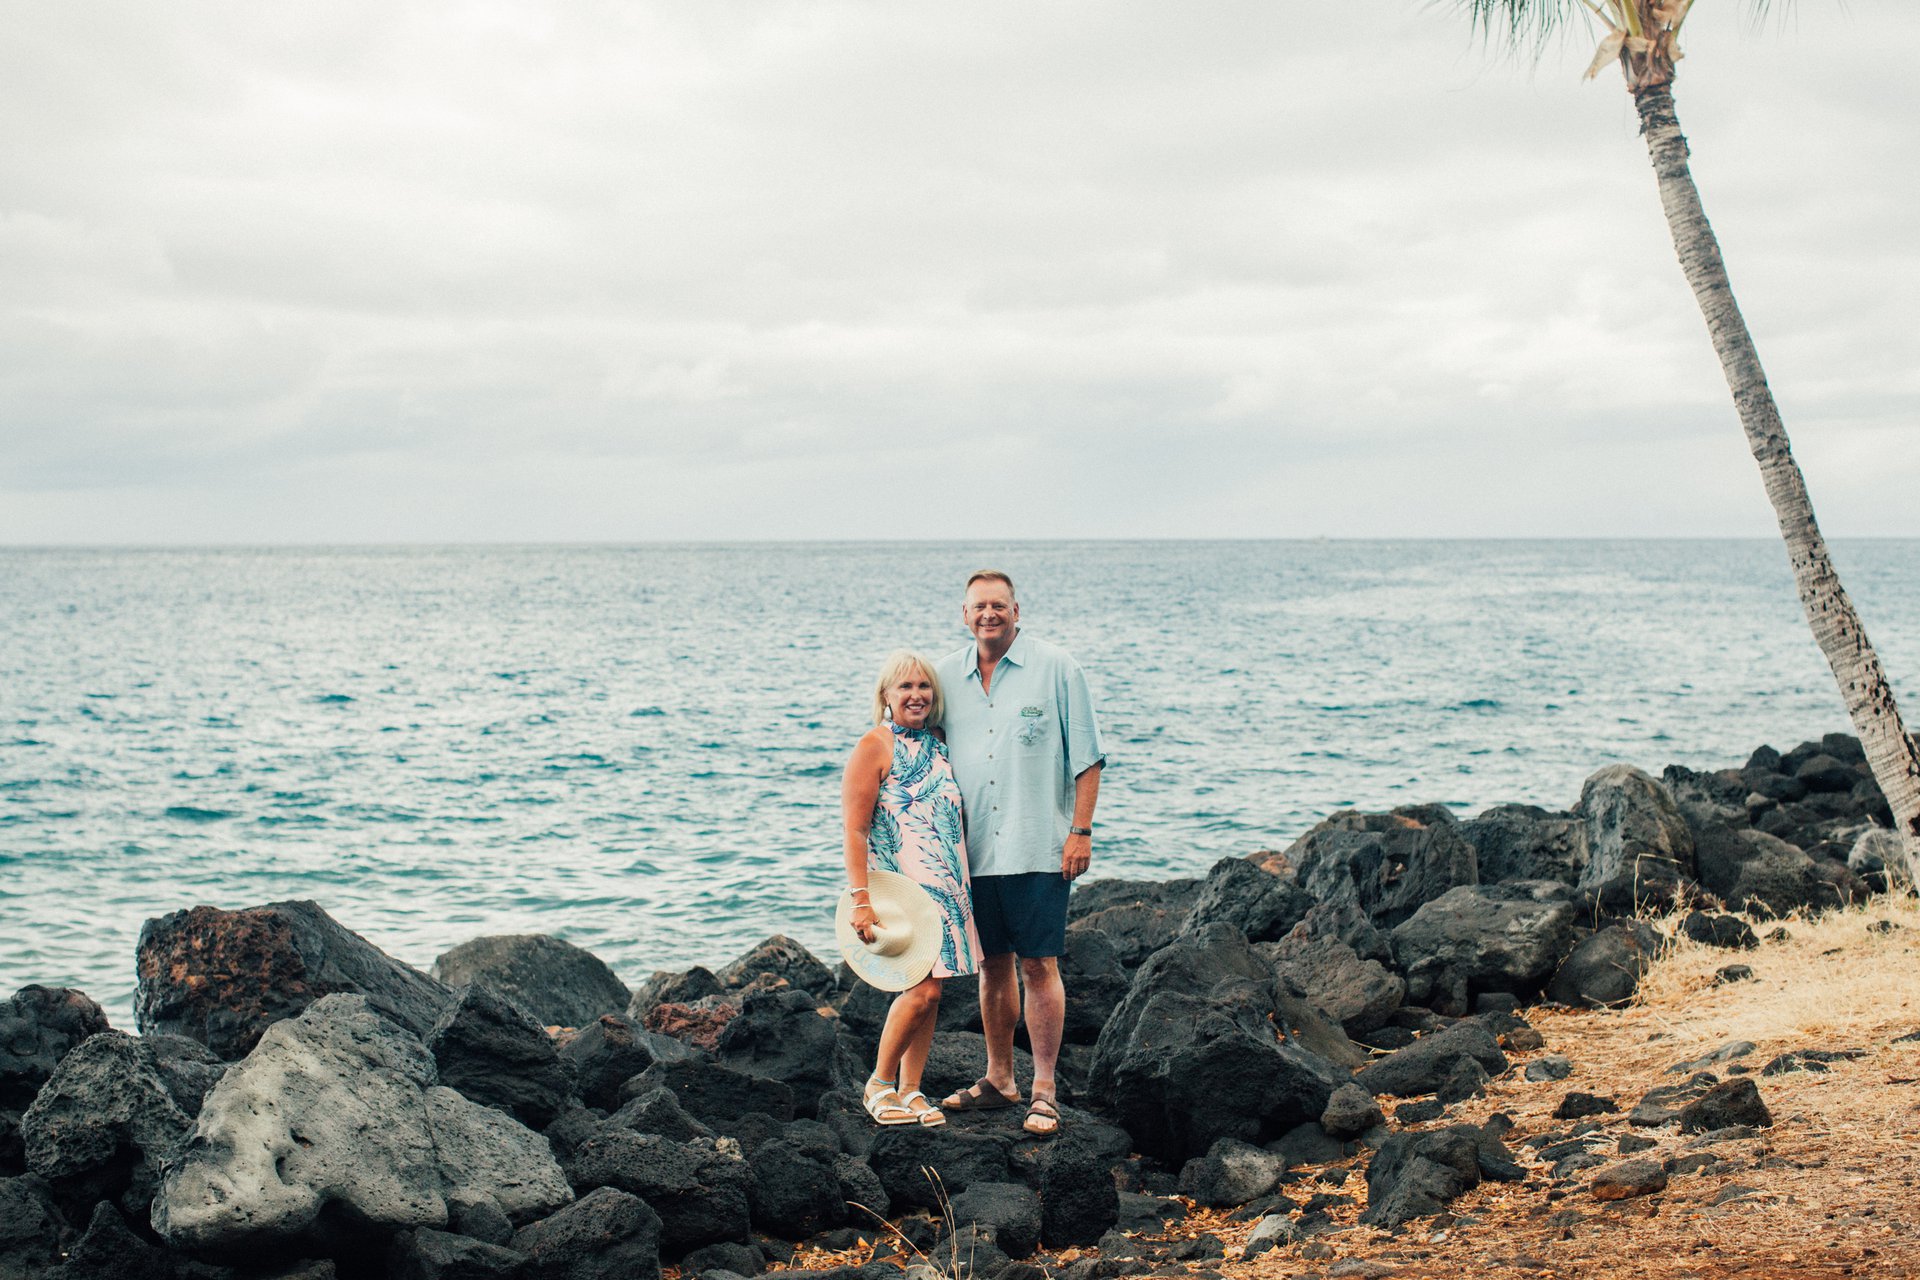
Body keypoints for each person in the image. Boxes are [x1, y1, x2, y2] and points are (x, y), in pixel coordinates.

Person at [935, 571, 1104, 1137]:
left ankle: (1045, 1089)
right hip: (971, 850)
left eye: (999, 605)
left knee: (1039, 964)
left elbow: (1088, 757)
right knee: (991, 966)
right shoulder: (942, 679)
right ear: (964, 614)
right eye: (979, 606)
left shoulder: (1057, 668)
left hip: (1039, 844)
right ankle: (1000, 1079)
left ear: (1016, 610)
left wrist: (1080, 830)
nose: (989, 614)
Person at [841, 650, 983, 1127]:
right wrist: (861, 900)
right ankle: (879, 1085)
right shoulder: (875, 745)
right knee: (919, 991)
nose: (916, 695)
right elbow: (855, 831)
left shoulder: (940, 745)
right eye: (905, 687)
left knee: (934, 992)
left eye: (924, 687)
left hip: (946, 890)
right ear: (885, 695)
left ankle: (911, 1089)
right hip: (902, 893)